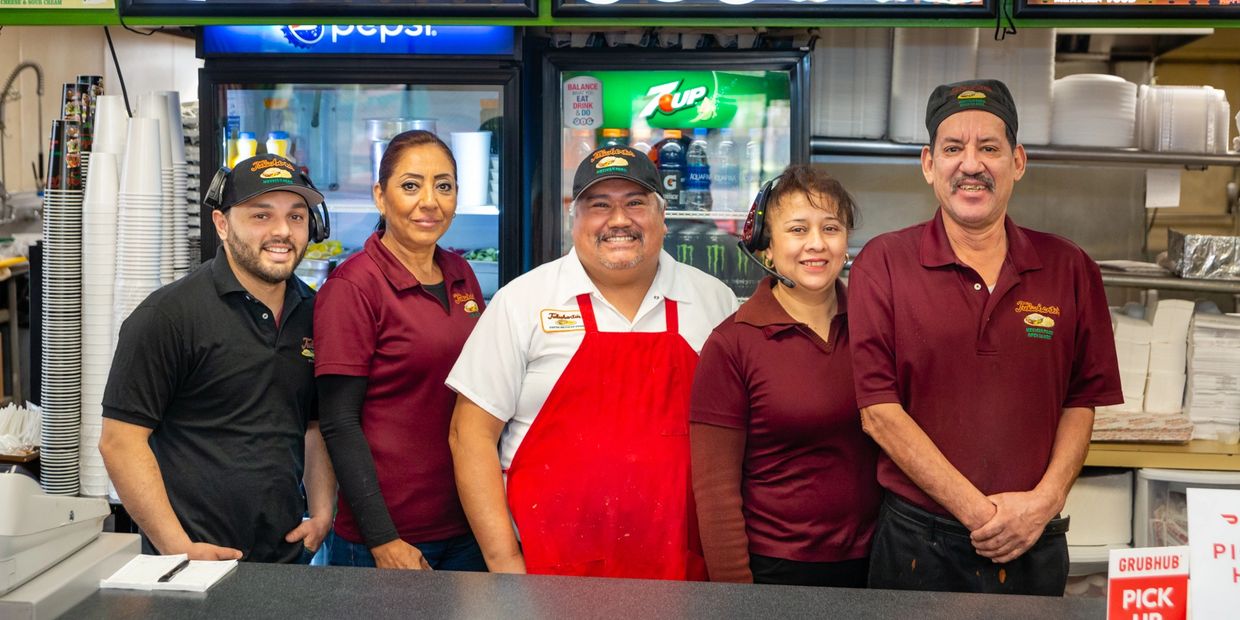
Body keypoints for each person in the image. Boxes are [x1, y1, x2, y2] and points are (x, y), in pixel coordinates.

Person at [848, 79, 1123, 595]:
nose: (970, 164)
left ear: (1017, 161)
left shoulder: (1070, 268)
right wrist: (983, 515)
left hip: (1034, 538)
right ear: (929, 163)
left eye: (989, 148)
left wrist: (1042, 503)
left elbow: (1081, 402)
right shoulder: (882, 264)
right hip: (918, 546)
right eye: (953, 148)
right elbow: (879, 413)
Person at [446, 145, 737, 579]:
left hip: (685, 573)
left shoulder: (715, 302)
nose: (618, 220)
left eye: (635, 203)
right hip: (548, 572)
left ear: (662, 216)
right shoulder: (522, 302)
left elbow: (739, 442)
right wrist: (505, 564)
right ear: (574, 219)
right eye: (599, 205)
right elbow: (468, 436)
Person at [100, 154, 336, 563]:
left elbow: (315, 425)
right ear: (222, 225)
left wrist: (321, 511)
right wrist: (178, 548)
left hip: (287, 559)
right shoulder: (167, 317)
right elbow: (120, 442)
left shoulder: (316, 313)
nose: (282, 231)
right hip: (189, 563)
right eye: (261, 215)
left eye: (296, 217)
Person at [689, 164, 879, 587]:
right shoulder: (732, 345)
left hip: (878, 564)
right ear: (767, 247)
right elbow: (716, 495)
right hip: (776, 571)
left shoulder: (876, 328)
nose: (816, 244)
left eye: (830, 228)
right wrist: (738, 598)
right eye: (797, 229)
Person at [314, 130, 486, 571]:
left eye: (443, 186)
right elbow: (338, 421)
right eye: (411, 185)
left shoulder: (460, 271)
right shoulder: (353, 286)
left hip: (467, 522)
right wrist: (382, 538)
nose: (429, 201)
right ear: (380, 195)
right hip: (390, 538)